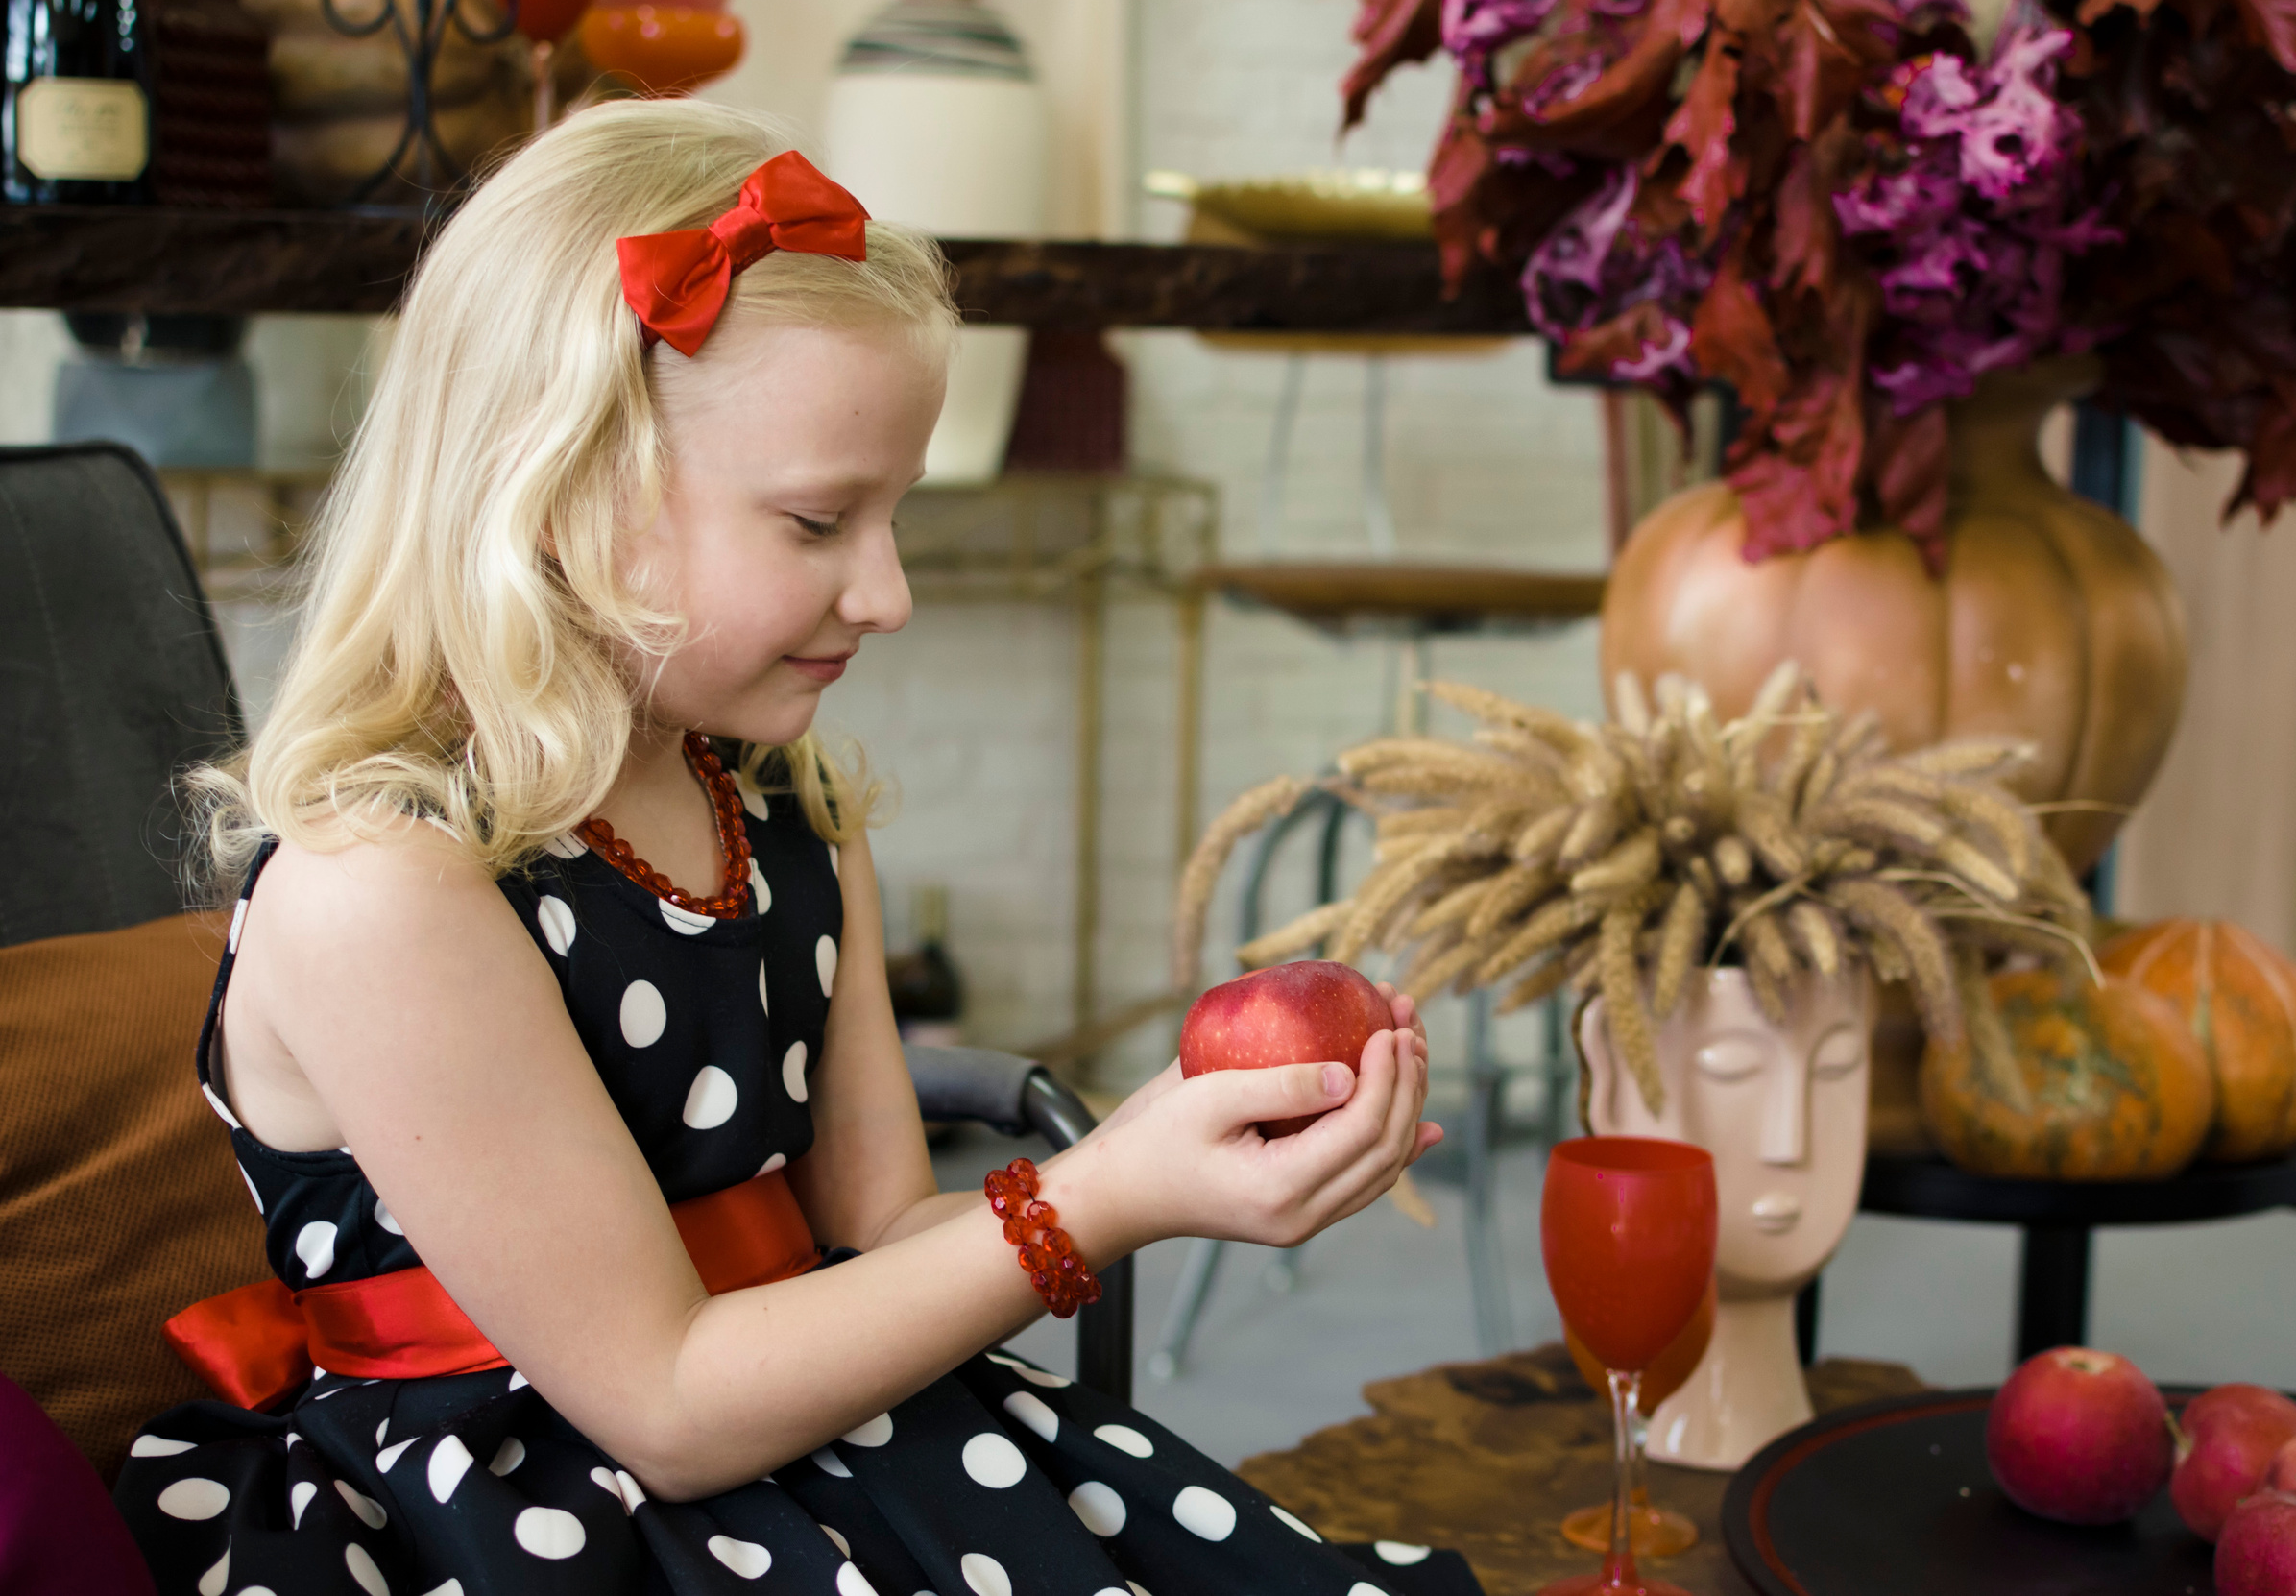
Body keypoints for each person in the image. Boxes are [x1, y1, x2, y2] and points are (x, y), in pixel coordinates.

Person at [113, 98, 1471, 1596]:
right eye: (820, 522)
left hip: (829, 1435)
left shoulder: (779, 802)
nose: (888, 595)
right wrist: (1095, 1200)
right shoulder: (386, 890)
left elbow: (884, 1235)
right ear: (557, 497)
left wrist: (1159, 1159)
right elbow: (666, 1405)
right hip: (525, 1519)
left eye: (894, 516)